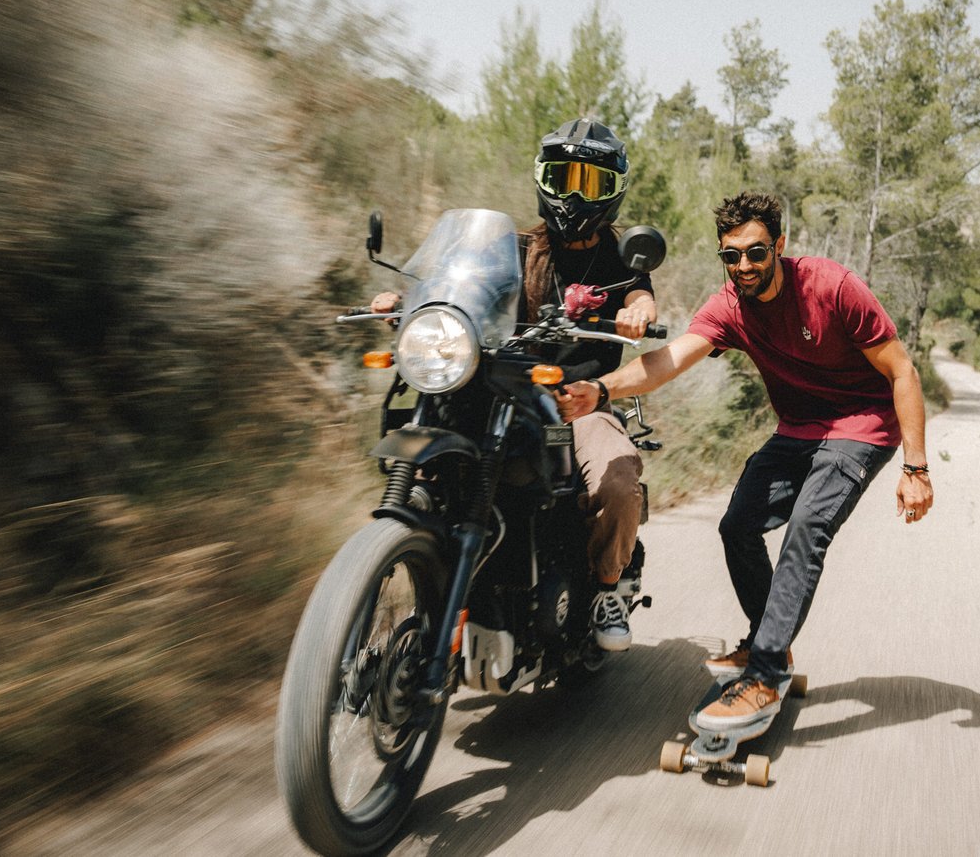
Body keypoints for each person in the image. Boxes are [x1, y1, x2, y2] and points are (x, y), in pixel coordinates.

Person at [557, 190, 934, 727]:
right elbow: (668, 361)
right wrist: (601, 389)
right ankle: (768, 644)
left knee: (807, 528)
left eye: (757, 252)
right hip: (799, 429)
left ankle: (763, 673)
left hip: (861, 426)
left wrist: (916, 468)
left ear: (779, 246)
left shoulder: (831, 287)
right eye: (731, 255)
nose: (745, 266)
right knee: (737, 526)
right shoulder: (730, 306)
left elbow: (902, 371)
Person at [372, 117, 658, 652]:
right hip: (503, 390)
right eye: (564, 177)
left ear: (613, 190)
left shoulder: (621, 260)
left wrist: (637, 312)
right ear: (543, 179)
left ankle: (606, 588)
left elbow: (640, 296)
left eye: (591, 182)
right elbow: (465, 285)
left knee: (618, 484)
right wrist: (412, 303)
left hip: (577, 403)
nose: (575, 194)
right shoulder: (516, 246)